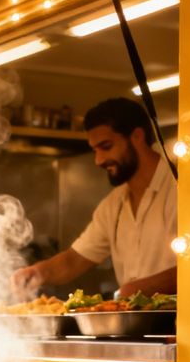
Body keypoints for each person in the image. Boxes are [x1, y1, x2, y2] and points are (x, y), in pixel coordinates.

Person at [10, 97, 178, 299]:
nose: (98, 160)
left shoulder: (181, 188)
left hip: (186, 323)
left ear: (137, 136)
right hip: (134, 325)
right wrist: (37, 272)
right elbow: (74, 260)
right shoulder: (113, 204)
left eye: (106, 146)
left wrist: (138, 289)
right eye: (94, 150)